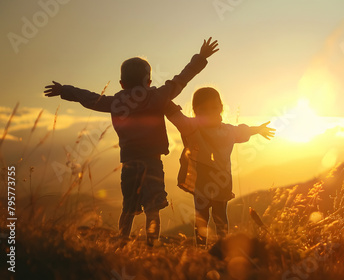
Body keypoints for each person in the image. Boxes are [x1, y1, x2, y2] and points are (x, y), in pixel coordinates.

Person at [44, 38, 219, 246]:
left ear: (122, 84)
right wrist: (200, 58)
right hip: (152, 163)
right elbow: (181, 79)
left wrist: (64, 90)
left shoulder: (116, 102)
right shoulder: (157, 96)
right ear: (149, 82)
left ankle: (122, 241)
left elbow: (90, 98)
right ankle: (152, 244)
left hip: (129, 163)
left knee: (127, 208)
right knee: (152, 209)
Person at [164, 87, 275, 248]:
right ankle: (204, 247)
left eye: (213, 108)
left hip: (216, 182)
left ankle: (221, 247)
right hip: (208, 182)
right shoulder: (196, 127)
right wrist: (161, 99)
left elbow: (242, 130)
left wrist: (257, 129)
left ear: (221, 107)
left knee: (218, 216)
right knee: (204, 217)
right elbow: (175, 115)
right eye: (203, 109)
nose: (209, 112)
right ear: (195, 111)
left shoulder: (223, 130)